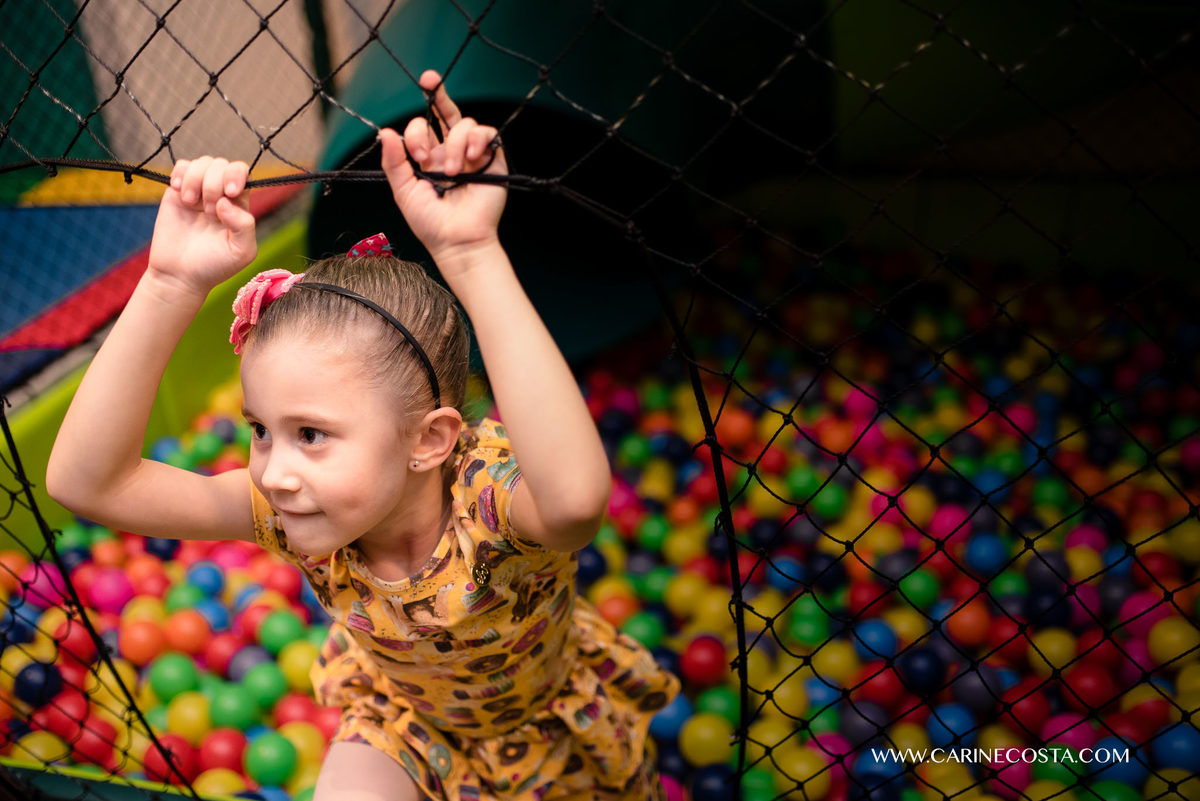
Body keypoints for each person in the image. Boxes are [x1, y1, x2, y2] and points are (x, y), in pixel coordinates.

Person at [47, 70, 678, 800]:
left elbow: (573, 500)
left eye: (311, 433)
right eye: (260, 430)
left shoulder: (488, 504)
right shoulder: (289, 508)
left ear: (431, 441)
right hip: (402, 723)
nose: (275, 471)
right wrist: (167, 282)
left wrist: (472, 255)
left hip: (546, 735)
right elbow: (87, 484)